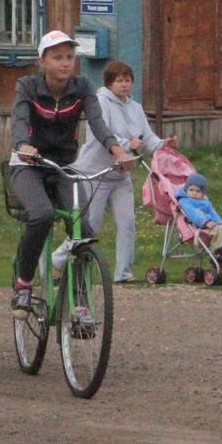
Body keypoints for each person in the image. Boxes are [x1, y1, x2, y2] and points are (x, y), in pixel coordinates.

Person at [9, 31, 132, 321]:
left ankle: (80, 302)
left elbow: (98, 122)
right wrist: (22, 145)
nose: (65, 63)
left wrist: (117, 150)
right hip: (28, 164)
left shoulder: (82, 87)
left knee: (83, 230)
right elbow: (19, 120)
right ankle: (24, 284)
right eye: (57, 57)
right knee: (42, 215)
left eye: (69, 57)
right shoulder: (27, 86)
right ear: (42, 61)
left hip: (63, 166)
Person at [71, 60, 175, 284]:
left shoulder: (135, 108)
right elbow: (102, 134)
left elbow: (147, 138)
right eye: (119, 80)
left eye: (128, 80)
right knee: (91, 226)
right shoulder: (100, 102)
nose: (124, 85)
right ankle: (60, 261)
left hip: (120, 176)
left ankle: (124, 273)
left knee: (127, 222)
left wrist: (164, 144)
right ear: (109, 83)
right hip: (95, 173)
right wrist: (127, 144)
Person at [175, 173, 222, 266]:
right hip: (200, 228)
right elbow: (193, 215)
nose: (194, 193)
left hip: (213, 227)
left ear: (203, 193)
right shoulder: (185, 201)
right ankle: (219, 253)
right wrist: (205, 223)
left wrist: (220, 223)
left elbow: (213, 213)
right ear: (186, 189)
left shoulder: (205, 202)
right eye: (191, 190)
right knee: (220, 229)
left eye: (198, 191)